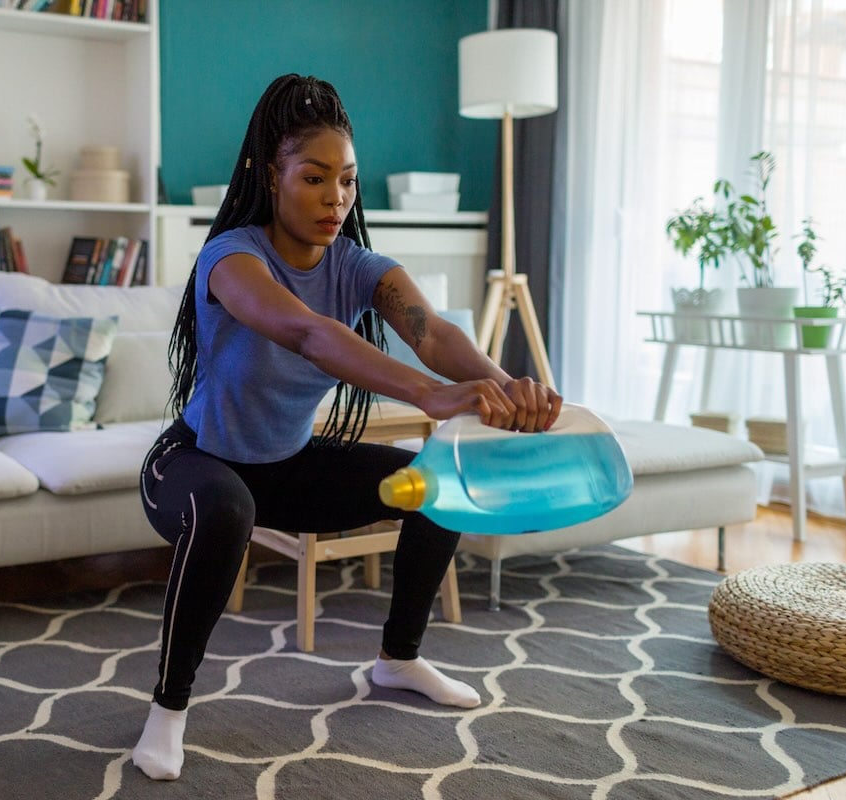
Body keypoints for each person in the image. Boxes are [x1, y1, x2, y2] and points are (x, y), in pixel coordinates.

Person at [132, 73, 561, 781]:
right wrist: (434, 395)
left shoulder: (361, 268)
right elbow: (307, 334)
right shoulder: (232, 258)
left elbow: (432, 333)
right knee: (227, 506)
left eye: (349, 181)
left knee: (432, 485)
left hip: (289, 468)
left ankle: (399, 660)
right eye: (315, 177)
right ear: (271, 176)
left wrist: (499, 384)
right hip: (196, 465)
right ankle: (168, 711)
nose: (336, 199)